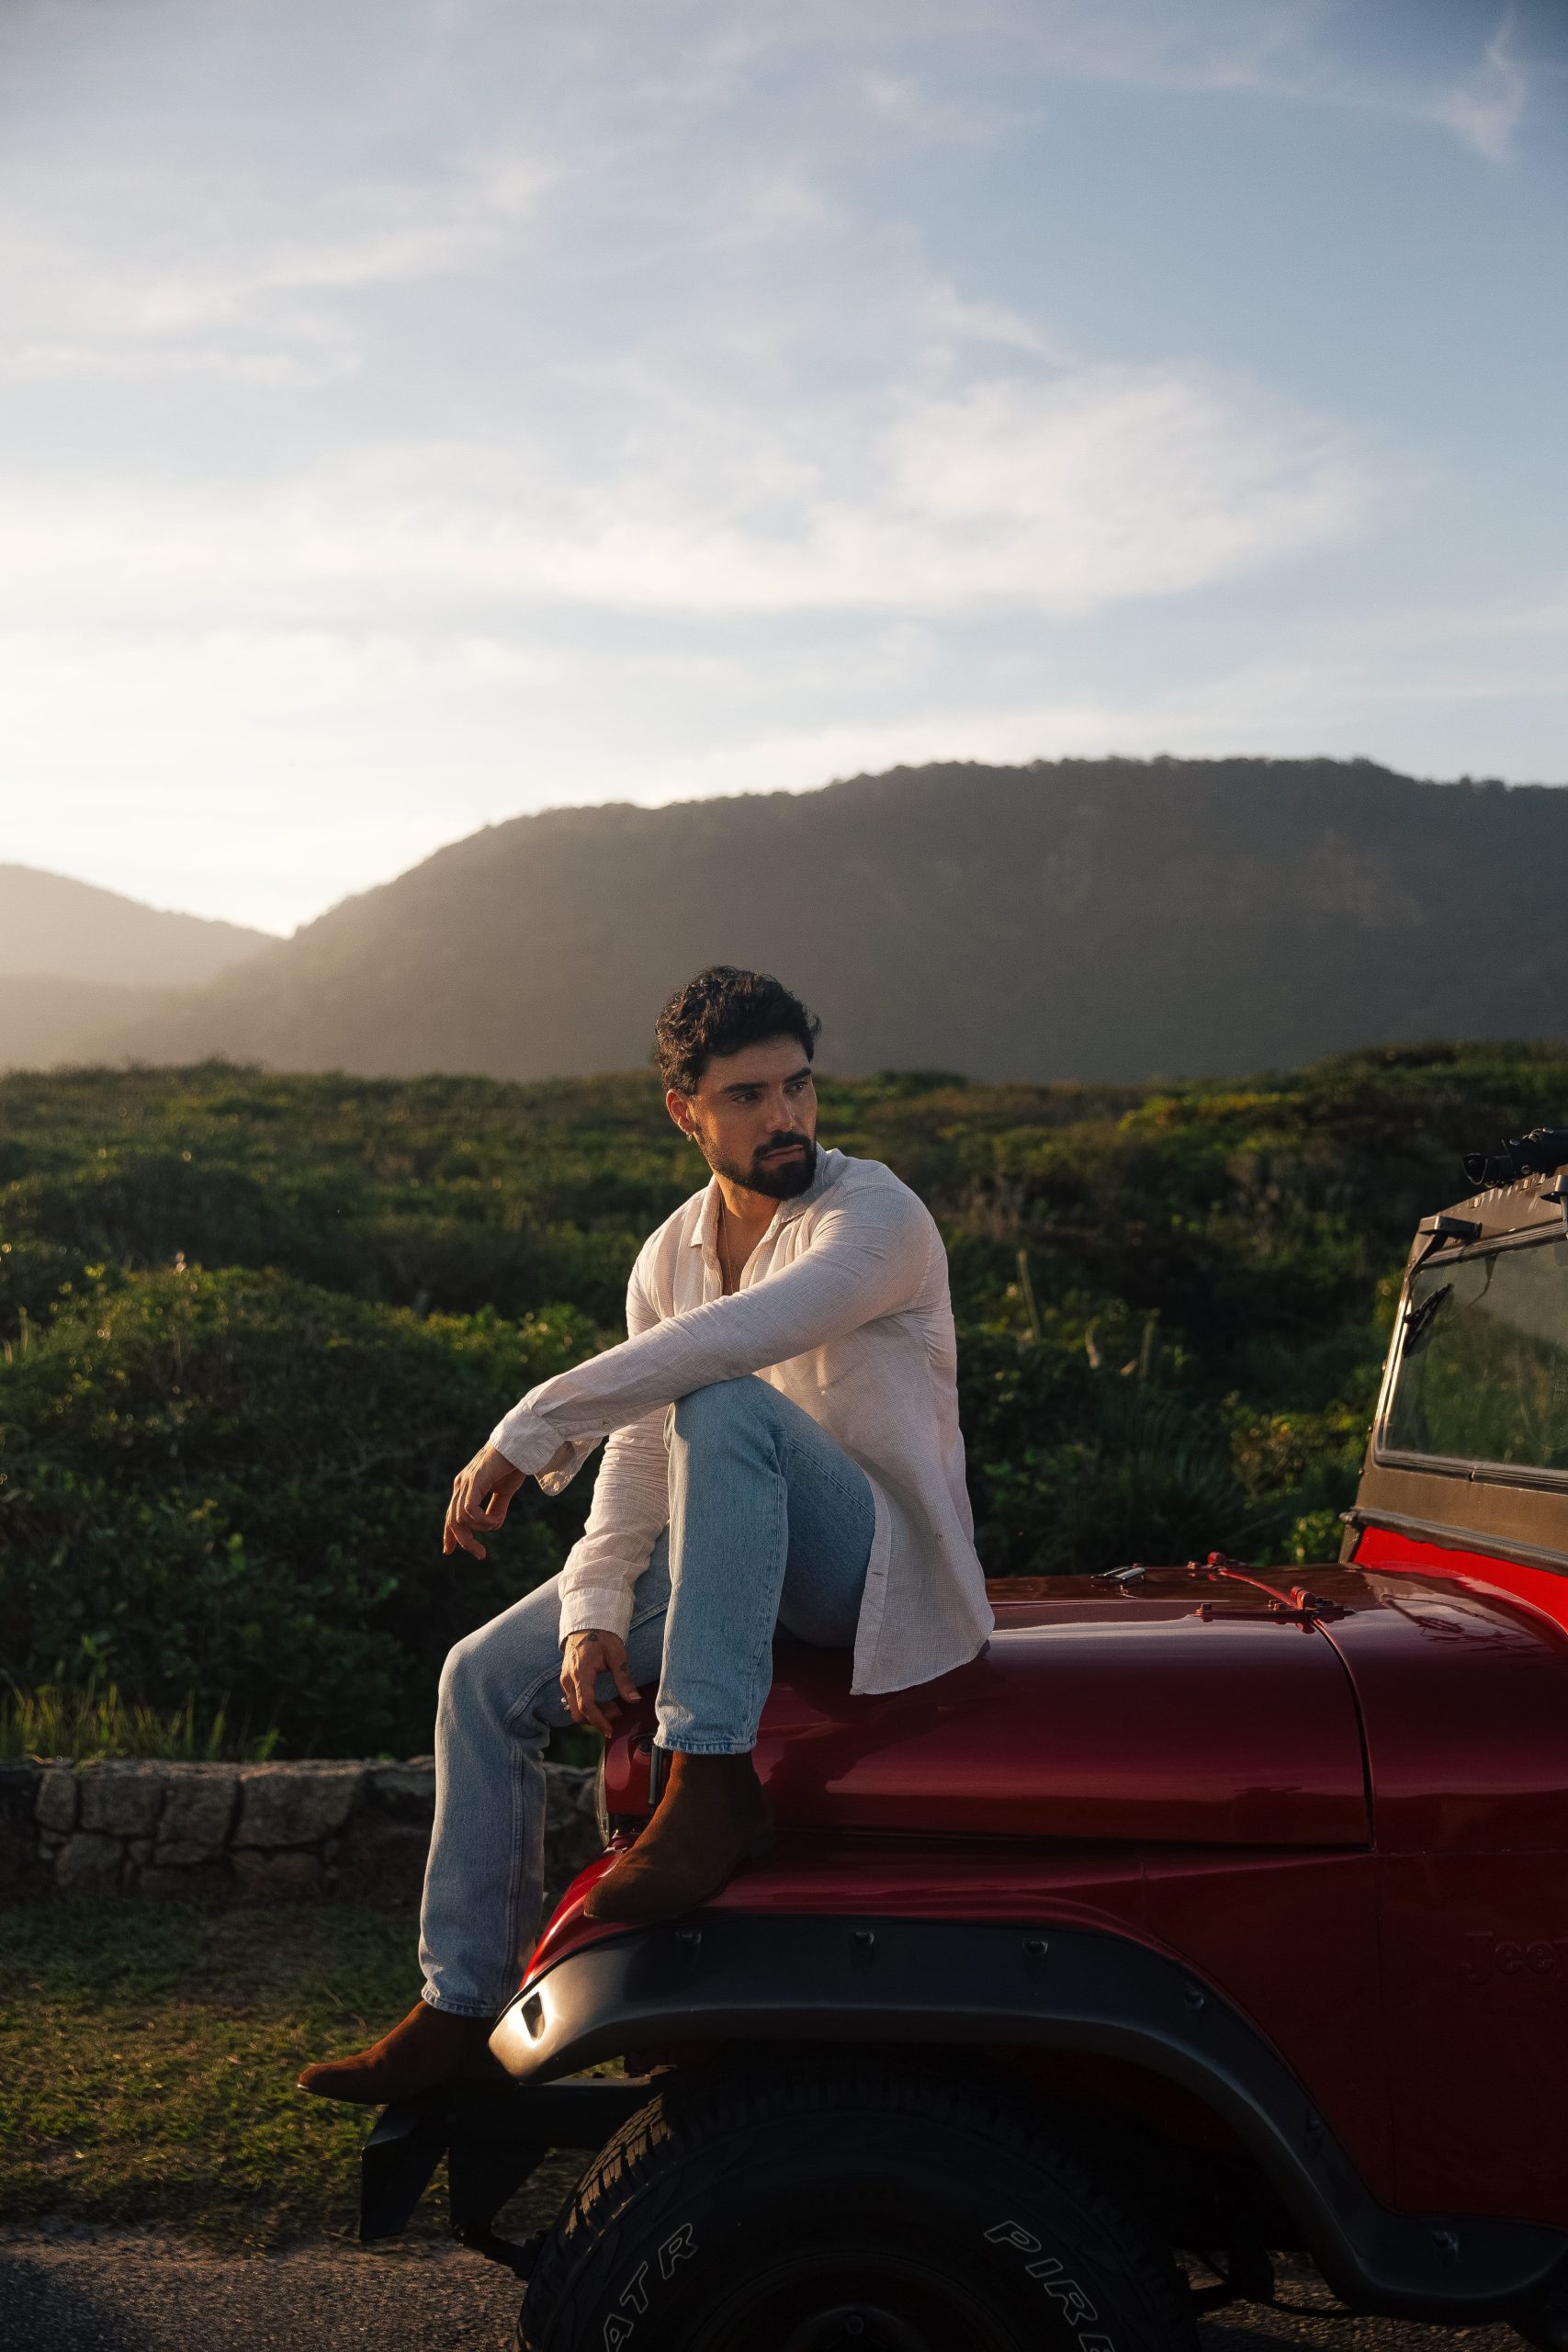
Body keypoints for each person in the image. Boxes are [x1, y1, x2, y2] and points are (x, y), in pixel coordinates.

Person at [299, 966, 992, 2104]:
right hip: (727, 1553)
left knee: (724, 1397)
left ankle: (709, 1775)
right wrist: (595, 1609)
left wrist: (528, 1429)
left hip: (867, 1564)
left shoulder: (876, 1216)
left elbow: (728, 1348)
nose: (786, 1118)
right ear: (685, 1111)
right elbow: (633, 1447)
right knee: (478, 1677)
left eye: (799, 1087)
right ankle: (460, 2009)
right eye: (749, 1097)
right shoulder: (667, 1254)